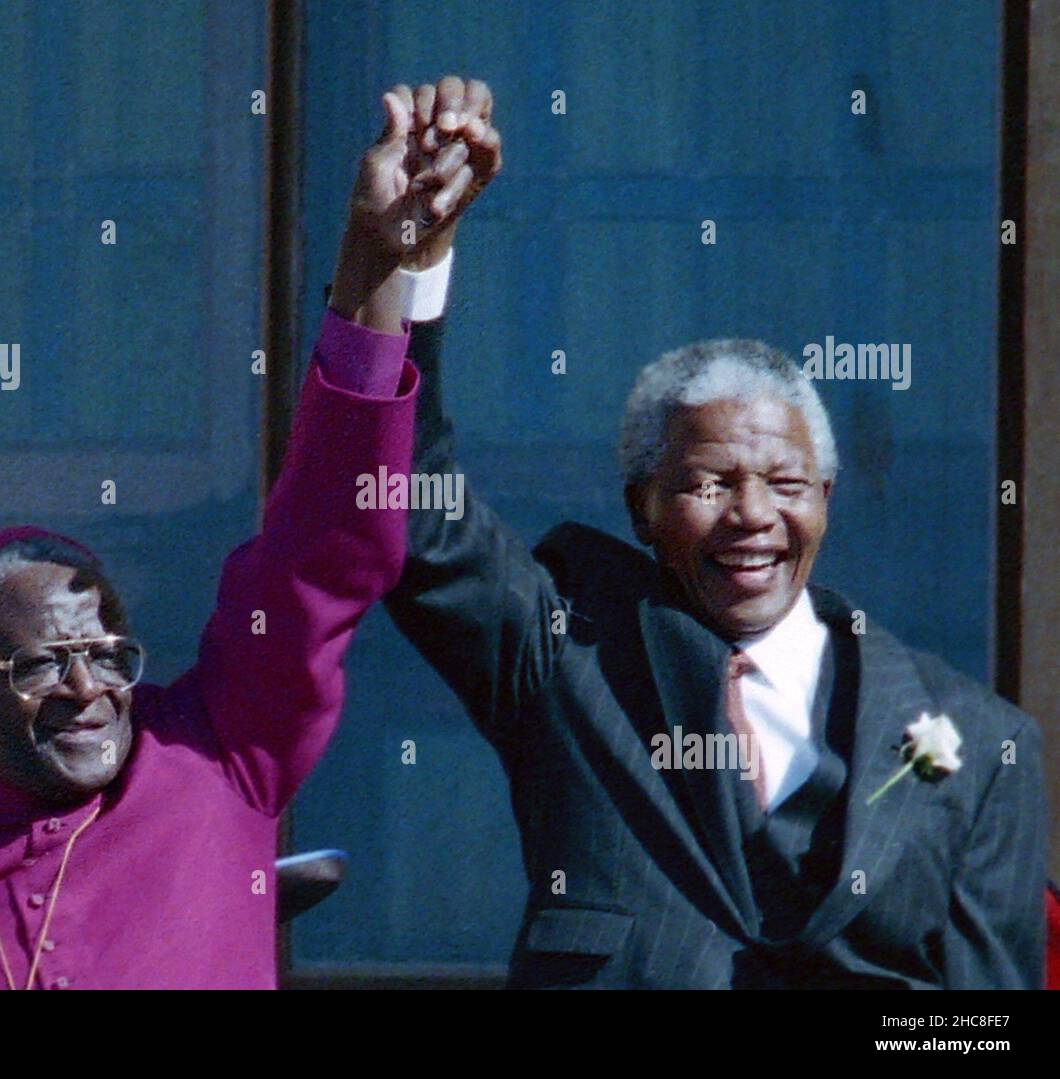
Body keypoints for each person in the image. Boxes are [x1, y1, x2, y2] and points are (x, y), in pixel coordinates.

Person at [384, 76, 1047, 989]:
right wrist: (406, 256)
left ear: (825, 498)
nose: (753, 515)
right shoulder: (565, 657)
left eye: (785, 483)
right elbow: (402, 503)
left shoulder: (981, 742)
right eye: (709, 483)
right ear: (644, 508)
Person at [0, 87, 469, 990]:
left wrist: (376, 259)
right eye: (44, 665)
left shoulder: (220, 748)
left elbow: (323, 549)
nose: (89, 689)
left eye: (109, 655)